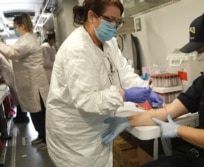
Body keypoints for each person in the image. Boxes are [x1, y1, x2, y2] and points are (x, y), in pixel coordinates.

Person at [101, 12, 204, 167]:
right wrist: (126, 121)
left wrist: (178, 130)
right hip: (198, 157)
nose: (198, 57)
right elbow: (166, 112)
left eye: (200, 51)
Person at [45, 0, 162, 167]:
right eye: (110, 20)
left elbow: (123, 72)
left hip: (98, 123)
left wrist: (145, 89)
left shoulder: (109, 42)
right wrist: (124, 95)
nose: (114, 27)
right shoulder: (76, 49)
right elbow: (86, 100)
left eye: (118, 21)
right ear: (92, 16)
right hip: (76, 134)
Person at [0, 13, 49, 149]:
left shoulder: (28, 40)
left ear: (22, 25)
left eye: (16, 27)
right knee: (34, 112)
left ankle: (47, 139)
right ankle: (40, 135)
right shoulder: (24, 39)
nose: (15, 30)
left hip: (35, 84)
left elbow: (12, 53)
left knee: (40, 113)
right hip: (29, 83)